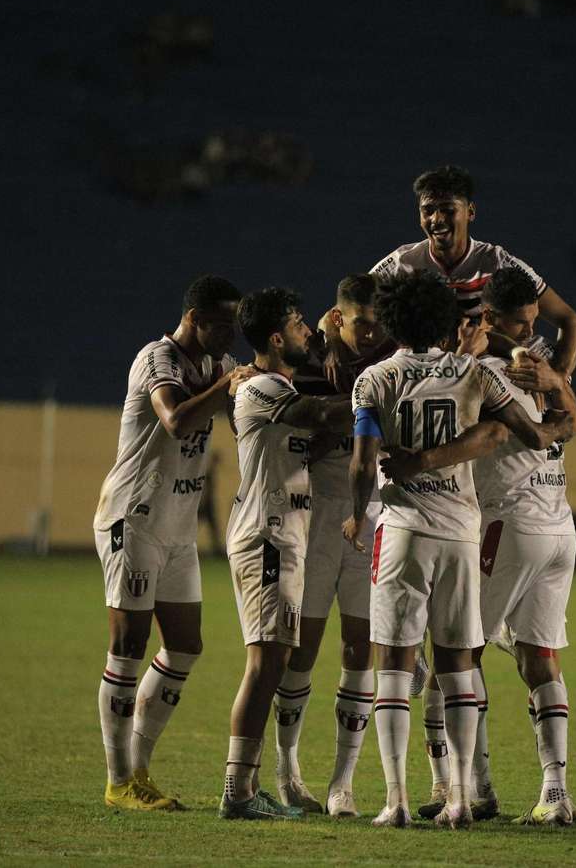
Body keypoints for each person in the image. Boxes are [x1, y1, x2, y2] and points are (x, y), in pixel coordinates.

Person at [344, 269, 575, 829]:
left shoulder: (375, 378)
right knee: (459, 666)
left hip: (406, 529)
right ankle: (463, 800)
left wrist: (358, 513)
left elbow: (361, 460)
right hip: (467, 533)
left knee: (396, 665)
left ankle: (400, 798)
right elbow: (528, 432)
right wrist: (559, 424)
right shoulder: (476, 374)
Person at [92, 274, 256, 811]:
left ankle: (138, 769)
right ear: (195, 319)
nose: (231, 337)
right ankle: (119, 781)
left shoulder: (220, 367)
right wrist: (225, 389)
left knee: (185, 645)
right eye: (223, 325)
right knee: (128, 647)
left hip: (178, 527)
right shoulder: (155, 359)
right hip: (133, 518)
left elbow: (245, 419)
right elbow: (177, 419)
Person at [220, 287, 354, 820]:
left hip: (284, 535)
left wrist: (327, 341)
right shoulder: (263, 388)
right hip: (267, 537)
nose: (308, 333)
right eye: (299, 325)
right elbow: (320, 413)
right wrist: (385, 392)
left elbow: (315, 434)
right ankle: (238, 792)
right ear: (276, 338)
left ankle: (248, 787)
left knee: (273, 661)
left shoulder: (273, 385)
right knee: (265, 663)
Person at [464, 268, 576, 826]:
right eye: (521, 322)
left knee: (457, 653)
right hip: (559, 527)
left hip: (510, 526)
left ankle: (475, 788)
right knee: (539, 656)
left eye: (534, 323)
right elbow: (573, 419)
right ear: (491, 318)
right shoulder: (543, 371)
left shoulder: (482, 374)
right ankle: (555, 794)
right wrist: (555, 386)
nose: (530, 333)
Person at [273, 275, 384, 818]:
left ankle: (343, 782)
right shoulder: (306, 365)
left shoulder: (391, 361)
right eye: (361, 321)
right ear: (337, 318)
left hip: (373, 519)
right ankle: (288, 767)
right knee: (305, 647)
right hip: (315, 520)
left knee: (360, 648)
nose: (371, 333)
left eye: (377, 323)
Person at [345, 164, 576, 387]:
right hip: (424, 370)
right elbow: (346, 305)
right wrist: (334, 345)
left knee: (554, 387)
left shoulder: (497, 261)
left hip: (490, 368)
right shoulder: (401, 264)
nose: (436, 219)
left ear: (470, 212)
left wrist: (558, 377)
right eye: (427, 210)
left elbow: (571, 321)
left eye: (448, 210)